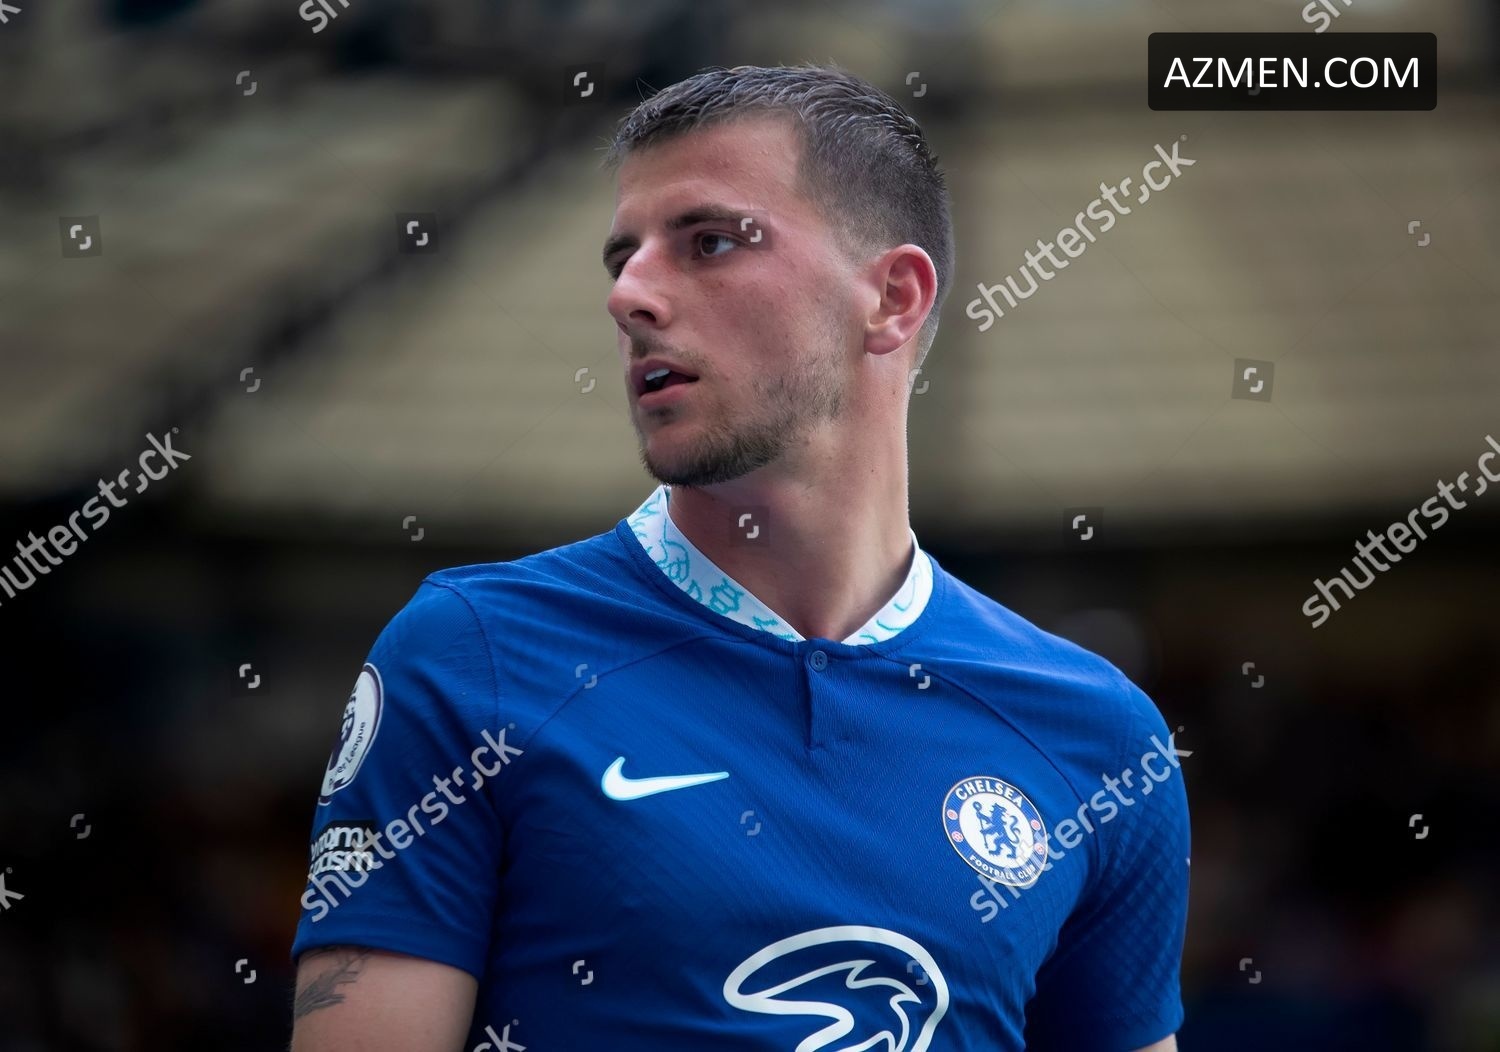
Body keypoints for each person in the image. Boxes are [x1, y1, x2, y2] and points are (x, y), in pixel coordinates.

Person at [288, 62, 1189, 1052]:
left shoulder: (1099, 738)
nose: (628, 295)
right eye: (623, 256)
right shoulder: (471, 656)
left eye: (709, 242)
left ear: (892, 298)